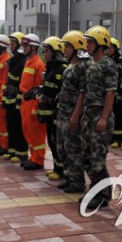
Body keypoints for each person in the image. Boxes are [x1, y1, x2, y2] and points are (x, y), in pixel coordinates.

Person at [80, 25, 118, 210]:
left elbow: (110, 93)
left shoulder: (108, 64)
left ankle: (103, 194)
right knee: (86, 156)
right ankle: (94, 188)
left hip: (100, 116)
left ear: (100, 44)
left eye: (90, 42)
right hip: (89, 115)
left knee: (97, 158)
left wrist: (103, 118)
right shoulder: (90, 64)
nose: (87, 45)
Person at [56, 30, 92, 193]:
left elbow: (83, 93)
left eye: (67, 47)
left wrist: (76, 115)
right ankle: (70, 177)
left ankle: (78, 182)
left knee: (74, 149)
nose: (64, 50)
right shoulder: (70, 64)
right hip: (63, 113)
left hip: (72, 114)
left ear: (76, 47)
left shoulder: (84, 66)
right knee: (62, 148)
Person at [39, 36, 68, 180]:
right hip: (48, 110)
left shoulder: (62, 69)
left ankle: (61, 170)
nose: (45, 54)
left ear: (55, 52)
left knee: (58, 141)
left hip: (57, 111)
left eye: (47, 51)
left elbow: (62, 92)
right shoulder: (50, 68)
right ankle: (57, 168)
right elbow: (47, 88)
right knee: (51, 140)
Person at [19, 33, 47, 170]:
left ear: (33, 47)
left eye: (25, 46)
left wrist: (36, 105)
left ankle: (38, 159)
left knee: (36, 133)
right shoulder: (28, 62)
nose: (23, 48)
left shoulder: (38, 64)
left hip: (33, 102)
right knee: (28, 131)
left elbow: (41, 87)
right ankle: (33, 157)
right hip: (25, 101)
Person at [3, 32, 29, 163]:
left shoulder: (22, 60)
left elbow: (21, 82)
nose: (10, 46)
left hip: (17, 98)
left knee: (18, 126)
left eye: (13, 43)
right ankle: (12, 150)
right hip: (10, 96)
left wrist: (18, 100)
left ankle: (21, 153)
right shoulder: (14, 59)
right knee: (11, 125)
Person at [107, 38, 122, 150]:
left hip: (118, 93)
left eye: (110, 48)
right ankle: (111, 138)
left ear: (115, 49)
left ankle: (118, 140)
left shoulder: (121, 61)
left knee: (118, 118)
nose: (107, 50)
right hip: (108, 93)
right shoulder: (106, 60)